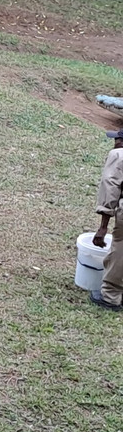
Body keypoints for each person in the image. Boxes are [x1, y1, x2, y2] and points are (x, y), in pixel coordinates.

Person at [90, 129, 123, 311]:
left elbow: (110, 187)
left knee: (120, 250)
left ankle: (110, 296)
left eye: (117, 140)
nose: (114, 143)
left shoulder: (119, 155)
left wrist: (103, 227)